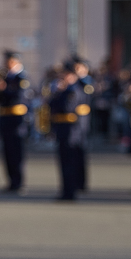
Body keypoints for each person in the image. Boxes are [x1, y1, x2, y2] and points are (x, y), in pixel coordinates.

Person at [49, 60, 91, 200]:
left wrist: (58, 94)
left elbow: (66, 107)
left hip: (70, 130)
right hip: (65, 129)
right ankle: (67, 190)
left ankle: (69, 192)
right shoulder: (69, 89)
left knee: (68, 162)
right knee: (65, 162)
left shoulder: (72, 90)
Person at [0, 50, 31, 192]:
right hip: (6, 118)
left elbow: (18, 97)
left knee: (17, 151)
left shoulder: (21, 78)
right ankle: (11, 181)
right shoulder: (6, 77)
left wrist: (4, 91)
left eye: (9, 61)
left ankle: (18, 181)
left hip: (16, 120)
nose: (6, 64)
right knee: (7, 152)